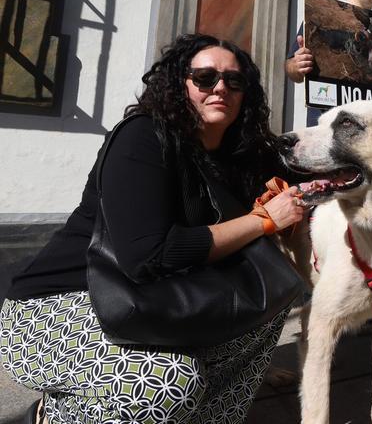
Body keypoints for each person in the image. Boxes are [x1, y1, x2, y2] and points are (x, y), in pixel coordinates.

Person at [0, 34, 306, 423]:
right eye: (205, 77)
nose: (220, 88)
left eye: (234, 81)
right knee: (169, 380)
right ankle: (52, 416)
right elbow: (149, 256)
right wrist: (261, 220)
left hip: (152, 300)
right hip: (55, 309)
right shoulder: (143, 137)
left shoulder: (242, 156)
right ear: (181, 84)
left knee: (270, 294)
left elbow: (308, 179)